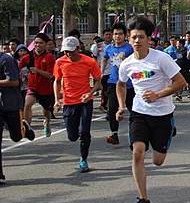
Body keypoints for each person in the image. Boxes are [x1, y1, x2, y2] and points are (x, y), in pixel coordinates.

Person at [116, 16, 186, 203]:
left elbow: (181, 83)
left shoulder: (161, 58)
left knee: (158, 161)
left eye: (141, 37)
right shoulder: (127, 64)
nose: (137, 41)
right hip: (139, 113)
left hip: (163, 113)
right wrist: (121, 106)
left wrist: (158, 94)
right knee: (137, 152)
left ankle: (170, 131)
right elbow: (121, 84)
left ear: (148, 39)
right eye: (133, 37)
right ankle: (143, 200)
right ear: (129, 40)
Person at [53, 37, 102, 173]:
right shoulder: (60, 62)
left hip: (85, 101)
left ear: (78, 49)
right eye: (65, 52)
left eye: (70, 51)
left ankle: (83, 159)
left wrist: (90, 92)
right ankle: (79, 147)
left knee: (84, 132)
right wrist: (57, 99)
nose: (68, 54)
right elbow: (57, 81)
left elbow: (98, 81)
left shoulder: (89, 62)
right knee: (72, 136)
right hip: (68, 102)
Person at [0, 51, 35, 184]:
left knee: (16, 136)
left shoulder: (6, 60)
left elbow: (14, 82)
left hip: (11, 104)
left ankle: (24, 128)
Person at [102, 23, 134, 145]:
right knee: (111, 110)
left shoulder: (130, 48)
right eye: (115, 34)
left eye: (120, 34)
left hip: (129, 83)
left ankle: (135, 133)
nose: (117, 36)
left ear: (125, 35)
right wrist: (101, 72)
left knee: (133, 109)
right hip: (113, 82)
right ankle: (114, 134)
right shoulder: (108, 48)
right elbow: (104, 59)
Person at [19, 33, 56, 137]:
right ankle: (27, 128)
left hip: (46, 89)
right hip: (32, 87)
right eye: (36, 43)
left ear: (45, 44)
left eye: (40, 43)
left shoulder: (49, 57)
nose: (38, 45)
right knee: (27, 104)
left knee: (46, 112)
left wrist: (37, 71)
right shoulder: (28, 57)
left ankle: (47, 122)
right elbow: (18, 66)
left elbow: (50, 75)